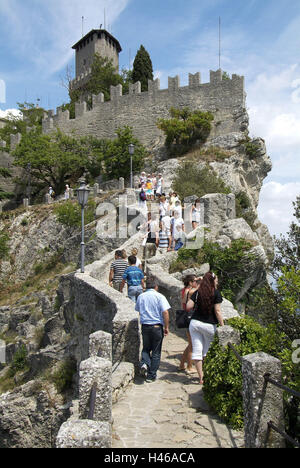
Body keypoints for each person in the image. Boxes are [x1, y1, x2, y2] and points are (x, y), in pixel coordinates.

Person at [186, 272, 224, 385]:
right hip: (209, 325)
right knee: (207, 350)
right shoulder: (216, 293)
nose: (217, 281)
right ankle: (207, 375)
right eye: (216, 280)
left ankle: (201, 378)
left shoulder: (198, 292)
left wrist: (197, 290)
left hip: (195, 323)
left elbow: (188, 306)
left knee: (197, 351)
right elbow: (217, 311)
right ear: (213, 281)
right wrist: (223, 325)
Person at [135, 277, 170, 382]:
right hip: (156, 326)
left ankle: (145, 363)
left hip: (145, 326)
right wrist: (166, 327)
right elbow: (165, 312)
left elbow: (138, 310)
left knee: (146, 348)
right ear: (156, 287)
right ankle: (151, 376)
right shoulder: (160, 297)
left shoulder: (141, 296)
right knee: (156, 351)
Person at [178, 275, 199, 373]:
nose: (196, 283)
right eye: (195, 281)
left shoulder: (184, 290)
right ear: (190, 283)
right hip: (190, 319)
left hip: (187, 318)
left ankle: (182, 364)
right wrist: (203, 281)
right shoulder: (190, 291)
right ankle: (189, 367)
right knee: (192, 345)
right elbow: (201, 290)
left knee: (190, 344)